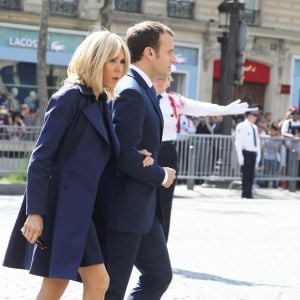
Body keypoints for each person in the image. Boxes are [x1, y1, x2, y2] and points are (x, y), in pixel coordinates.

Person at [2, 30, 151, 300]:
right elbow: (41, 158)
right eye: (112, 61)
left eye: (122, 62)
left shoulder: (102, 101)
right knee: (96, 280)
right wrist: (35, 212)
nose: (119, 69)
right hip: (62, 208)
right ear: (95, 60)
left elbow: (104, 152)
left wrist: (138, 155)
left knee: (60, 285)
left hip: (84, 211)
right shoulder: (69, 97)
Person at [104, 21, 177, 300]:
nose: (173, 58)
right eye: (169, 51)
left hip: (144, 210)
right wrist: (160, 174)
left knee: (159, 275)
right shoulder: (131, 90)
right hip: (125, 209)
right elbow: (123, 154)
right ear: (149, 53)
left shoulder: (144, 89)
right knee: (113, 289)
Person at [153, 74, 250, 241]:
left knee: (164, 203)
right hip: (146, 152)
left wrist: (224, 110)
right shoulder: (140, 95)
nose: (162, 80)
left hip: (166, 151)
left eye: (166, 77)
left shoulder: (173, 100)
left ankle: (160, 248)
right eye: (159, 76)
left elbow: (198, 107)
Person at [235, 110, 261, 199]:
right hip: (245, 152)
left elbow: (257, 142)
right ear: (248, 115)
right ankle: (244, 193)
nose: (255, 117)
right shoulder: (241, 126)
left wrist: (258, 155)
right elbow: (238, 142)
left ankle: (249, 193)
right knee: (245, 174)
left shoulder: (254, 127)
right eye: (254, 115)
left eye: (256, 115)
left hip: (253, 153)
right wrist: (240, 156)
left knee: (251, 174)